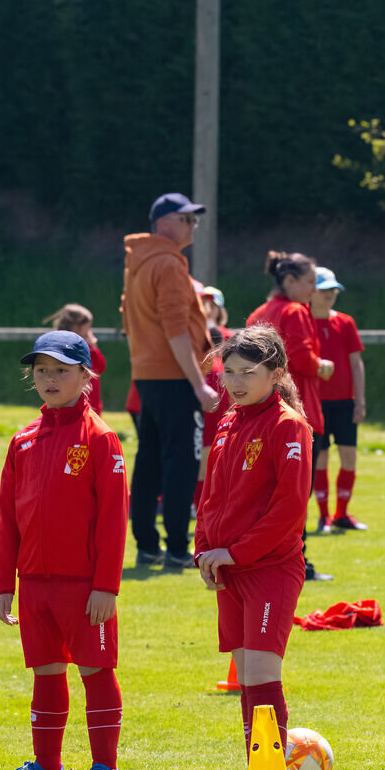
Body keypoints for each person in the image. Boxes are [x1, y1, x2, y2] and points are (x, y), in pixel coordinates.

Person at [0, 331, 130, 770]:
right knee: (46, 672)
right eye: (42, 370)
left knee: (95, 671)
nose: (50, 379)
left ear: (85, 377)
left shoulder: (101, 438)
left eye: (61, 370)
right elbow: (8, 517)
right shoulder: (23, 439)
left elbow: (114, 520)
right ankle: (47, 767)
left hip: (84, 586)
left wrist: (106, 587)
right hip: (34, 583)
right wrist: (4, 584)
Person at [193, 326, 315, 770]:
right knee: (247, 684)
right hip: (230, 570)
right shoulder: (228, 421)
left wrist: (236, 553)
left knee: (263, 681)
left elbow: (289, 510)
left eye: (249, 373)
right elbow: (211, 495)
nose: (236, 382)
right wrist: (206, 549)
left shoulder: (289, 426)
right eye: (230, 373)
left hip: (269, 569)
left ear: (277, 373)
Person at [122, 193, 220, 572]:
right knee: (182, 462)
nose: (193, 224)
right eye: (186, 218)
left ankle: (147, 544)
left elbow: (131, 323)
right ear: (163, 222)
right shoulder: (167, 263)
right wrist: (198, 384)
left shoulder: (138, 262)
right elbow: (176, 329)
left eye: (195, 219)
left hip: (147, 375)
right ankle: (179, 547)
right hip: (176, 378)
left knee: (149, 461)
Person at [248, 251, 333, 581]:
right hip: (297, 412)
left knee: (265, 492)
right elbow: (301, 359)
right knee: (295, 495)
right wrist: (321, 365)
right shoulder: (296, 311)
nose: (314, 289)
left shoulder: (260, 311)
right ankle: (297, 561)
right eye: (310, 282)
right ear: (290, 281)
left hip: (262, 414)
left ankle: (261, 556)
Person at [311, 265, 366, 534]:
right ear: (311, 291)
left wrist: (360, 400)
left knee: (349, 458)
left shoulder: (345, 322)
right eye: (324, 290)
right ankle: (324, 517)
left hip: (345, 402)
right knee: (320, 458)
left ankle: (342, 514)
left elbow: (356, 364)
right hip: (316, 403)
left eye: (333, 290)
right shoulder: (304, 321)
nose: (330, 294)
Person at [44, 303, 107, 416]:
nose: (89, 331)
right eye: (87, 327)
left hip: (93, 404)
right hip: (74, 405)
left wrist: (94, 348)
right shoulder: (63, 349)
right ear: (75, 328)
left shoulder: (88, 347)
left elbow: (100, 368)